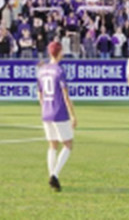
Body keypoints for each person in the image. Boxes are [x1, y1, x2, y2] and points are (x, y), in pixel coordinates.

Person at [38, 39, 75, 192]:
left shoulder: (42, 70)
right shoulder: (59, 70)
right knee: (68, 144)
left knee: (52, 145)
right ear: (59, 52)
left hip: (46, 112)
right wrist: (73, 115)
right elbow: (66, 95)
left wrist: (44, 108)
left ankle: (51, 175)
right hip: (59, 111)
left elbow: (39, 93)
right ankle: (54, 174)